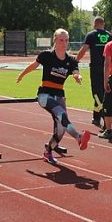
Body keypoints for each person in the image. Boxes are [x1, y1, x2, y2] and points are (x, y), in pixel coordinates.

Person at [16, 28, 91, 164]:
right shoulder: (46, 55)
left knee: (61, 130)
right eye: (61, 40)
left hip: (59, 95)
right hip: (45, 95)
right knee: (62, 114)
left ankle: (48, 151)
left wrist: (77, 76)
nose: (64, 43)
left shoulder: (71, 60)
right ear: (55, 40)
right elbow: (33, 66)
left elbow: (75, 71)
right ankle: (78, 137)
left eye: (66, 40)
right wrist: (21, 75)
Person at [75, 16, 112, 128]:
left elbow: (84, 50)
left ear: (94, 24)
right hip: (107, 68)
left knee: (96, 93)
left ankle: (105, 116)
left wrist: (76, 60)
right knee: (103, 92)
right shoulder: (109, 36)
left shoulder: (91, 35)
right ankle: (96, 118)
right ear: (103, 24)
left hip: (96, 68)